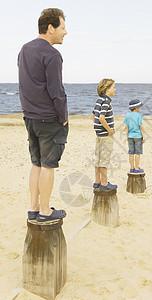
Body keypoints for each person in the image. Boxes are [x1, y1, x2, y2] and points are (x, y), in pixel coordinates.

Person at [18, 8, 68, 222]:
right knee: (48, 165)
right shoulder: (52, 54)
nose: (65, 32)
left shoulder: (24, 49)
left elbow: (25, 84)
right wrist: (64, 117)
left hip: (30, 118)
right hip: (49, 119)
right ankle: (45, 211)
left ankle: (34, 207)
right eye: (63, 27)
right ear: (51, 28)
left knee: (36, 163)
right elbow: (56, 91)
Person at [91, 79, 118, 190]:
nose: (115, 89)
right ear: (107, 89)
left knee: (98, 159)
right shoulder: (107, 101)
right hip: (106, 135)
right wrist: (109, 130)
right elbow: (102, 118)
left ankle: (97, 181)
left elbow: (93, 116)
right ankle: (104, 183)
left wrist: (98, 127)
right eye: (113, 87)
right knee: (104, 160)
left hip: (98, 134)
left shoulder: (99, 100)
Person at [124, 99, 145, 173]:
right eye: (139, 106)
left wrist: (127, 136)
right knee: (138, 153)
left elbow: (126, 127)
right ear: (136, 108)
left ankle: (131, 167)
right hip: (138, 136)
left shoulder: (128, 115)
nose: (140, 108)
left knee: (131, 153)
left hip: (130, 136)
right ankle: (136, 168)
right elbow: (141, 126)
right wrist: (144, 136)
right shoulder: (139, 115)